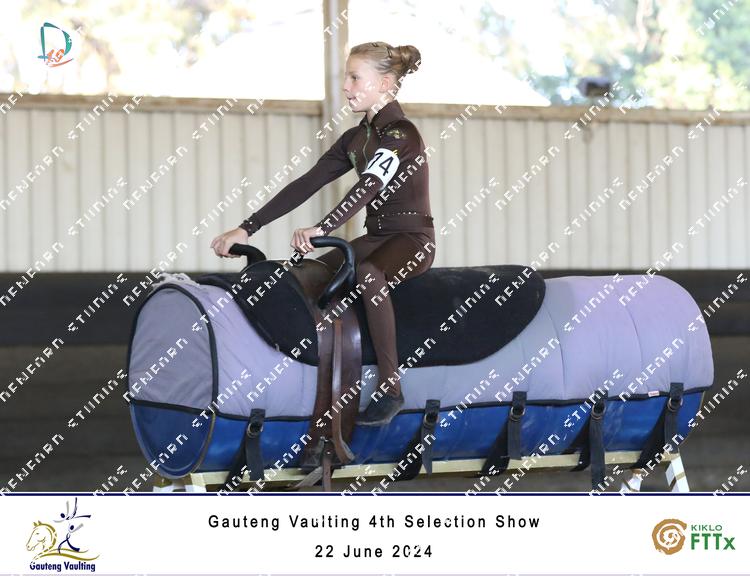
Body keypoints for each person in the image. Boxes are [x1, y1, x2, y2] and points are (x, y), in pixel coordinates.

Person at [210, 41, 435, 426]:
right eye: (346, 78)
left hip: (412, 241)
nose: (346, 87)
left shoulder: (402, 134)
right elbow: (306, 184)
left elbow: (369, 186)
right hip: (375, 238)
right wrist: (247, 227)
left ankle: (391, 389)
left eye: (355, 78)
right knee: (311, 273)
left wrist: (323, 228)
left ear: (384, 84)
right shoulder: (354, 139)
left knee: (369, 274)